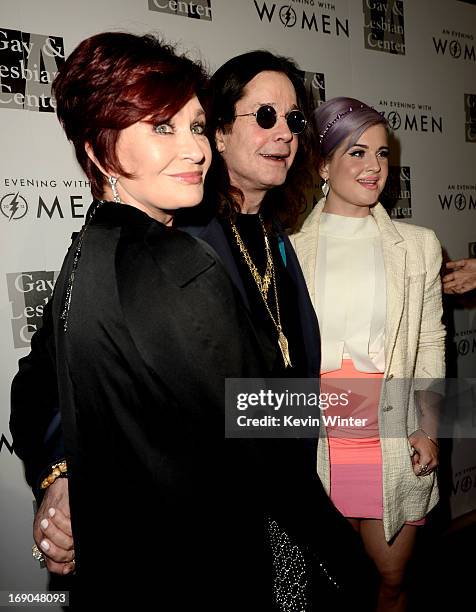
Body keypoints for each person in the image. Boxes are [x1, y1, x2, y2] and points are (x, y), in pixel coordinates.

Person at [11, 51, 372, 610]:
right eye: (265, 116)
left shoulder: (277, 234)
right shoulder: (177, 240)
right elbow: (48, 375)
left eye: (296, 120)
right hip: (223, 535)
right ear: (224, 132)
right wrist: (63, 476)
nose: (285, 134)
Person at [290, 97, 446, 611]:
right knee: (319, 593)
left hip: (391, 435)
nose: (374, 167)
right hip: (317, 440)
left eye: (382, 153)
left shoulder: (419, 245)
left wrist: (427, 426)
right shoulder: (286, 250)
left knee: (392, 580)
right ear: (323, 164)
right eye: (356, 152)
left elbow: (428, 341)